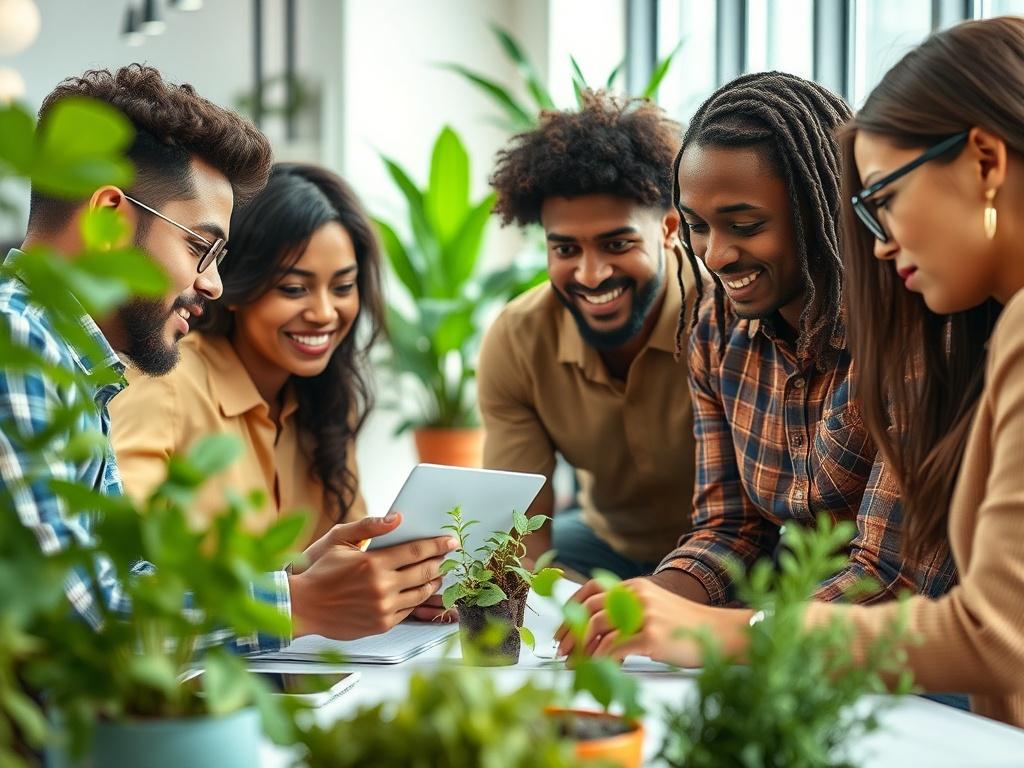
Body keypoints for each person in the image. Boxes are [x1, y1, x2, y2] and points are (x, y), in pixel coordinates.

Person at [560, 18, 1024, 726]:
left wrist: (721, 633)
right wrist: (648, 610)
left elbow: (928, 598)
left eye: (885, 199)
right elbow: (728, 527)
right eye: (698, 227)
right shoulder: (717, 324)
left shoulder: (929, 323)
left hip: (911, 657)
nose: (882, 238)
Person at [0, 66, 453, 652]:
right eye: (199, 247)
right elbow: (70, 623)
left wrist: (292, 581)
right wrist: (297, 605)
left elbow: (126, 583)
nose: (213, 285)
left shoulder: (78, 364)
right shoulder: (18, 341)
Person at [111, 162, 450, 626]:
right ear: (235, 285)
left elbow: (328, 577)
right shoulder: (163, 384)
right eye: (294, 288)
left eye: (344, 287)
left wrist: (396, 589)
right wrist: (295, 599)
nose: (325, 313)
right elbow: (115, 584)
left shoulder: (323, 401)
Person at [479, 90, 702, 579]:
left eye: (617, 244)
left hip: (732, 549)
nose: (591, 274)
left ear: (668, 228)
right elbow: (518, 532)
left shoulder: (723, 315)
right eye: (565, 250)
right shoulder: (519, 340)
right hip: (605, 547)